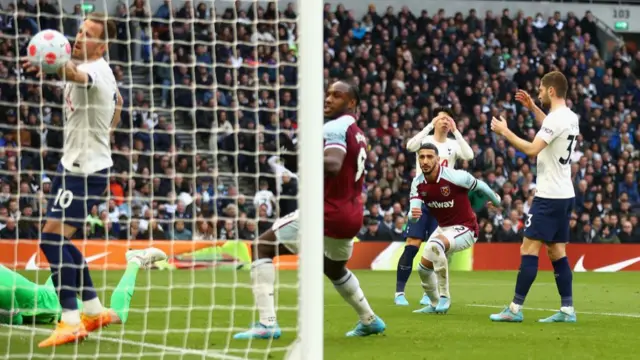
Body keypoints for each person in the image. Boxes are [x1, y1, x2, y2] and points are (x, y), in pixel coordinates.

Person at [233, 80, 385, 340]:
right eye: (327, 94)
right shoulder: (357, 132)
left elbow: (333, 164)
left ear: (351, 103)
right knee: (334, 269)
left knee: (261, 247)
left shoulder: (335, 127)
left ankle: (267, 324)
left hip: (325, 213)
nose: (328, 99)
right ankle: (369, 319)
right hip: (350, 215)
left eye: (337, 96)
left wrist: (300, 155)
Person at [23, 12, 123, 347]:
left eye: (89, 35)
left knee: (51, 242)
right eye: (80, 31)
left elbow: (77, 76)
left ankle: (70, 320)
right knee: (60, 242)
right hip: (76, 167)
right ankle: (94, 310)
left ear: (102, 46)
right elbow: (119, 102)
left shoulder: (93, 71)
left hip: (84, 172)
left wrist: (51, 61)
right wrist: (106, 132)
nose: (80, 38)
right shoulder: (94, 68)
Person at [490, 71, 579, 323]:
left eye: (540, 90)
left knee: (528, 248)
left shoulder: (555, 120)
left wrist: (504, 131)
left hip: (549, 196)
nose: (537, 93)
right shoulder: (570, 117)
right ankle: (567, 310)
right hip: (565, 194)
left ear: (551, 91)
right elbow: (550, 126)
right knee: (556, 252)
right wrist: (532, 108)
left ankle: (514, 309)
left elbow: (531, 149)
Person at [409, 143, 501, 314]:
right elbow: (412, 214)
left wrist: (496, 201)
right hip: (443, 228)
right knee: (423, 269)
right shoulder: (418, 183)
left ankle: (445, 297)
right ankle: (435, 303)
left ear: (438, 159)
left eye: (429, 157)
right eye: (421, 157)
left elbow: (480, 186)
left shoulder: (456, 177)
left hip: (466, 228)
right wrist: (413, 216)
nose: (425, 161)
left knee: (436, 245)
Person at [395, 107, 474, 306]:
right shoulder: (424, 142)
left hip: (445, 203)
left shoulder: (453, 144)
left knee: (439, 249)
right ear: (435, 121)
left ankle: (429, 294)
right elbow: (410, 145)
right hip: (422, 199)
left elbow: (469, 155)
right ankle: (399, 293)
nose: (445, 121)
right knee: (413, 244)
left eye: (449, 119)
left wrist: (457, 131)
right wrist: (429, 124)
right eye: (441, 118)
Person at [0, 248, 166, 326]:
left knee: (117, 316)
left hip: (52, 302)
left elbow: (13, 313)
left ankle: (134, 261)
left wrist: (10, 319)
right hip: (44, 290)